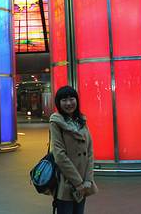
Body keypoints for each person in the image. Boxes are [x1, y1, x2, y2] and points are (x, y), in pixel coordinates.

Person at [50, 86, 98, 214]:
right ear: (58, 103)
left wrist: (87, 180)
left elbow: (89, 151)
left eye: (71, 99)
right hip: (67, 181)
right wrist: (78, 183)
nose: (68, 103)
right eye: (64, 100)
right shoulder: (56, 122)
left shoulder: (81, 120)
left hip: (83, 181)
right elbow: (59, 156)